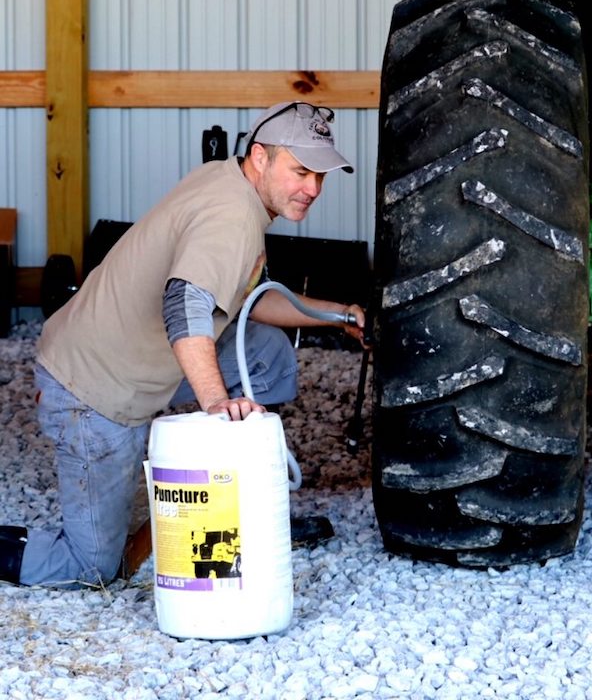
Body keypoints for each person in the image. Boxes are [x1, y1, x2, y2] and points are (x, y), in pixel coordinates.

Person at [0, 101, 365, 588]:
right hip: (91, 392)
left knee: (268, 356)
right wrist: (218, 407)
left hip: (126, 362)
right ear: (260, 157)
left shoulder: (229, 179)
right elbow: (185, 306)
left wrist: (338, 316)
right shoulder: (232, 216)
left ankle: (245, 492)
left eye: (321, 176)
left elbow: (248, 299)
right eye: (301, 171)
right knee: (92, 569)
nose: (313, 188)